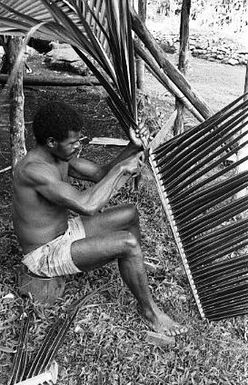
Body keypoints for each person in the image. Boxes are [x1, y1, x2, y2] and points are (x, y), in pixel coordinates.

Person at [12, 101, 187, 336]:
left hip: (64, 233)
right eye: (73, 143)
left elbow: (98, 173)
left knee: (129, 213)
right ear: (52, 142)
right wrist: (123, 169)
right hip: (44, 254)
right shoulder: (34, 170)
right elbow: (88, 205)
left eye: (79, 141)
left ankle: (137, 271)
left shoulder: (60, 156)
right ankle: (150, 312)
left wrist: (132, 147)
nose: (78, 147)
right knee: (128, 242)